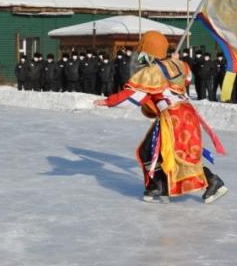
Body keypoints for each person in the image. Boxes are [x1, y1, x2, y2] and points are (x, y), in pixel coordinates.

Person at [94, 31, 228, 204]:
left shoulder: (152, 71)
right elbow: (186, 79)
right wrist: (174, 59)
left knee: (180, 156)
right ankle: (159, 184)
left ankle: (212, 181)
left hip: (174, 116)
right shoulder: (180, 65)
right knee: (151, 150)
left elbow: (134, 96)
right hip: (186, 113)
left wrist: (109, 101)